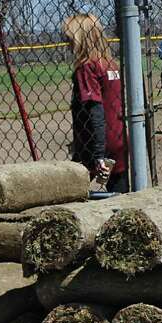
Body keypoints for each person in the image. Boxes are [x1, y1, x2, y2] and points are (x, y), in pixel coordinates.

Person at [63, 13, 129, 191]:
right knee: (119, 189)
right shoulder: (110, 64)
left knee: (72, 189)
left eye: (69, 38)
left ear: (80, 39)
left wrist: (98, 153)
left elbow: (95, 110)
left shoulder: (87, 67)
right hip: (119, 136)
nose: (67, 44)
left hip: (97, 142)